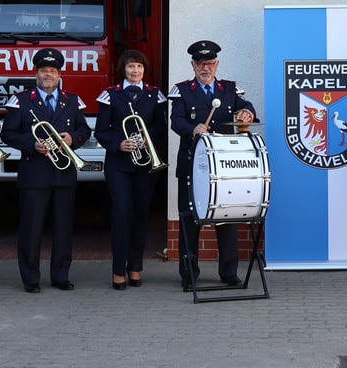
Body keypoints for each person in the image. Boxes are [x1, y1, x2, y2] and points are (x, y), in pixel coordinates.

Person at [1, 48, 91, 293]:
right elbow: (7, 134)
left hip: (64, 174)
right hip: (34, 174)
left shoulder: (72, 101)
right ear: (36, 74)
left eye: (52, 71)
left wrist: (72, 138)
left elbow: (84, 130)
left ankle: (61, 276)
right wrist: (32, 144)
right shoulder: (21, 100)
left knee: (63, 229)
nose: (48, 75)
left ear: (59, 74)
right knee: (31, 229)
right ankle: (30, 278)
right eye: (43, 71)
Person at [169, 40, 255, 291]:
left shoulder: (229, 88)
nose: (204, 68)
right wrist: (192, 129)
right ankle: (189, 274)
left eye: (209, 63)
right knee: (189, 219)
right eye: (200, 63)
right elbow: (176, 121)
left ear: (216, 64)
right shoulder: (182, 90)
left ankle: (229, 272)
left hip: (224, 166)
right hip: (192, 165)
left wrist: (248, 113)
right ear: (193, 65)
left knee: (226, 218)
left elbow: (245, 106)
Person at [94, 49, 168, 290]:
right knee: (121, 213)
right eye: (131, 66)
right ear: (123, 69)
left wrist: (148, 138)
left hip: (145, 164)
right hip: (119, 165)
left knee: (140, 215)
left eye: (139, 66)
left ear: (144, 70)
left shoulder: (155, 95)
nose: (135, 71)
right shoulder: (110, 95)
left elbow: (160, 127)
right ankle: (118, 269)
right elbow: (101, 131)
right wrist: (119, 143)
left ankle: (135, 266)